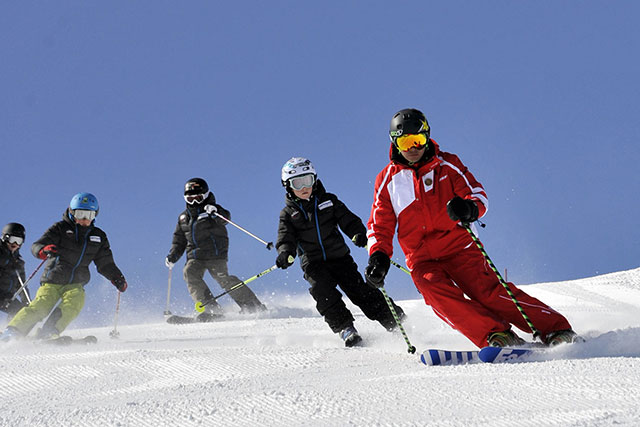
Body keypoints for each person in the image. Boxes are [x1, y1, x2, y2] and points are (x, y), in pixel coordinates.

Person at [364, 108, 579, 348]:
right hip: (422, 258)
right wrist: (379, 256)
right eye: (405, 142)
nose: (413, 148)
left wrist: (469, 208)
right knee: (434, 291)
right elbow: (379, 223)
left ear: (427, 137)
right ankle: (495, 334)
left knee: (487, 292)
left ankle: (555, 328)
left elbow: (478, 194)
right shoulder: (387, 180)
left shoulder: (447, 165)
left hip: (460, 248)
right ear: (395, 143)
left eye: (418, 140)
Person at [275, 157, 405, 347]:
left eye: (308, 180)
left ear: (315, 180)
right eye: (298, 183)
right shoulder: (288, 214)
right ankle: (345, 328)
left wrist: (358, 233)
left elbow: (348, 220)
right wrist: (285, 252)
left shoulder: (329, 201)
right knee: (323, 292)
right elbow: (285, 236)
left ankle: (397, 322)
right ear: (287, 186)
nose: (304, 187)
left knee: (360, 291)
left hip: (340, 258)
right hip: (313, 263)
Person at [0, 193, 127, 341]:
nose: (85, 219)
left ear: (95, 215)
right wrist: (43, 250)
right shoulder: (60, 228)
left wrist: (116, 277)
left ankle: (48, 332)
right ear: (72, 213)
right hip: (53, 279)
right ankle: (13, 332)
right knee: (41, 306)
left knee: (74, 303)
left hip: (76, 282)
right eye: (80, 214)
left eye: (89, 215)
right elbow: (37, 245)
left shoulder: (98, 237)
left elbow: (105, 262)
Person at [165, 178, 266, 321]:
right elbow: (179, 240)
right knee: (189, 272)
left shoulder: (213, 211)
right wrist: (173, 256)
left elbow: (226, 218)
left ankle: (252, 305)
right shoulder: (183, 218)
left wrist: (216, 211)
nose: (194, 202)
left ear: (205, 196)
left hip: (215, 254)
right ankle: (211, 309)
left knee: (222, 278)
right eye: (190, 198)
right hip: (195, 256)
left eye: (198, 198)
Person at [0, 223, 29, 321]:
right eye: (12, 239)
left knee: (21, 312)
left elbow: (22, 286)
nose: (15, 243)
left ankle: (12, 332)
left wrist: (27, 302)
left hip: (5, 296)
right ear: (5, 238)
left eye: (19, 241)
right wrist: (7, 263)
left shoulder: (18, 261)